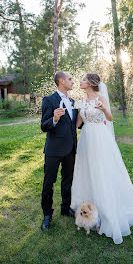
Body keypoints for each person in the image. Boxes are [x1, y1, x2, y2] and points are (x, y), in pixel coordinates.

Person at [71, 73, 133, 244]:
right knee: (87, 170)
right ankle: (89, 209)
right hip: (86, 138)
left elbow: (110, 118)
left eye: (83, 80)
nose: (80, 82)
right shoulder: (82, 101)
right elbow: (77, 123)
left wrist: (103, 109)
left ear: (90, 83)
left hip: (100, 138)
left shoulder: (100, 98)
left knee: (101, 171)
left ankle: (106, 210)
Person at [41, 71, 78, 231]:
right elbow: (44, 125)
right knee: (49, 183)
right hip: (54, 150)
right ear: (61, 81)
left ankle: (65, 207)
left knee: (67, 180)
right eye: (70, 79)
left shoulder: (73, 101)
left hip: (70, 149)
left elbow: (76, 124)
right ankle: (47, 214)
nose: (73, 82)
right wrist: (54, 119)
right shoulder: (49, 100)